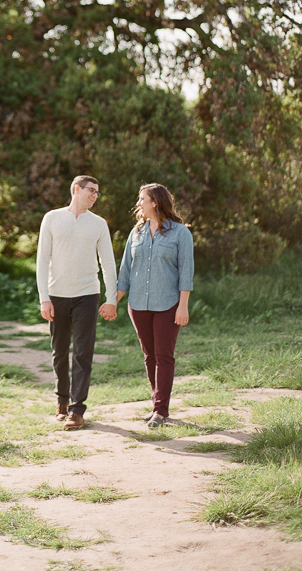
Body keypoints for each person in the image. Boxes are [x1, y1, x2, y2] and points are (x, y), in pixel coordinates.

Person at [37, 175, 118, 431]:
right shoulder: (52, 218)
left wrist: (111, 298)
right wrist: (44, 298)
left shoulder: (99, 224)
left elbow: (108, 263)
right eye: (91, 190)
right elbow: (42, 260)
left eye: (97, 192)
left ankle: (77, 409)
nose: (94, 195)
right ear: (76, 189)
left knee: (83, 351)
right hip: (57, 294)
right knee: (59, 350)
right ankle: (61, 401)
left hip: (87, 294)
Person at [116, 183, 193, 428]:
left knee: (164, 356)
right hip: (138, 304)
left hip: (168, 304)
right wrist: (112, 303)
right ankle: (156, 405)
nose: (138, 203)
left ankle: (161, 411)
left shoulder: (180, 233)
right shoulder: (135, 233)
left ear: (155, 203)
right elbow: (125, 272)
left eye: (142, 199)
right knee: (150, 356)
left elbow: (186, 273)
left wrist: (183, 306)